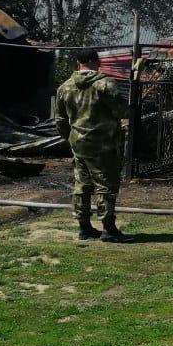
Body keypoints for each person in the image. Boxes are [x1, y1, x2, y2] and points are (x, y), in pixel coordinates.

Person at [55, 49, 131, 242]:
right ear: (94, 61)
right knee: (106, 185)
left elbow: (60, 120)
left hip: (79, 144)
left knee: (82, 185)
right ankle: (109, 229)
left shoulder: (65, 87)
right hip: (103, 144)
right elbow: (123, 111)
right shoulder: (105, 84)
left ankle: (84, 227)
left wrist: (71, 138)